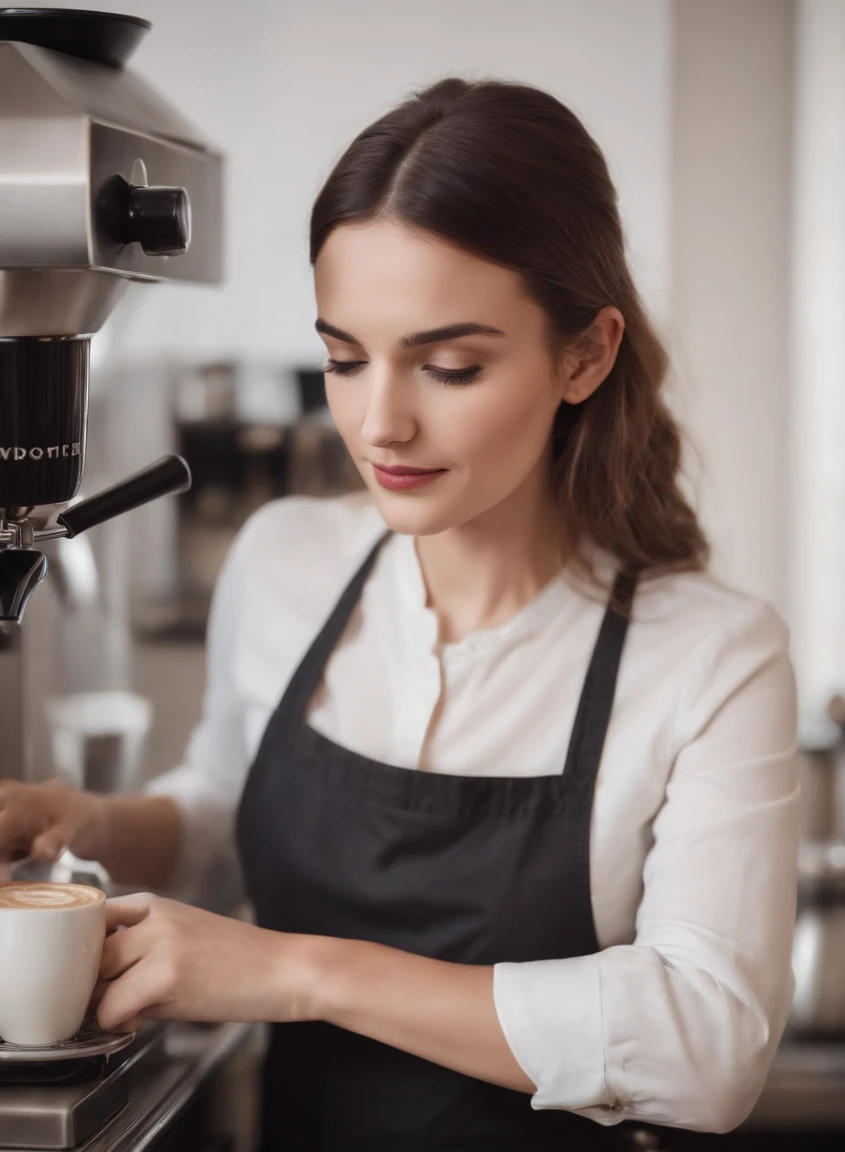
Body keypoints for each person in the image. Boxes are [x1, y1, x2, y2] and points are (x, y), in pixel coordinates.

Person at [0, 78, 798, 1150]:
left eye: (450, 365)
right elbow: (224, 817)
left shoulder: (710, 656)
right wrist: (91, 822)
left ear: (584, 354)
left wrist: (299, 972)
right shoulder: (286, 559)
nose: (379, 424)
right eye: (342, 358)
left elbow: (708, 1048)